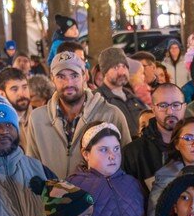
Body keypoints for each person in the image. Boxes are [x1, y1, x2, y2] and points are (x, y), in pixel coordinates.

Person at [20, 51, 129, 180]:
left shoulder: (111, 115)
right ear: (52, 78)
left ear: (85, 76)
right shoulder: (38, 118)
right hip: (52, 199)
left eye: (74, 75)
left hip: (98, 199)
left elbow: (126, 168)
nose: (68, 83)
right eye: (61, 77)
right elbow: (33, 169)